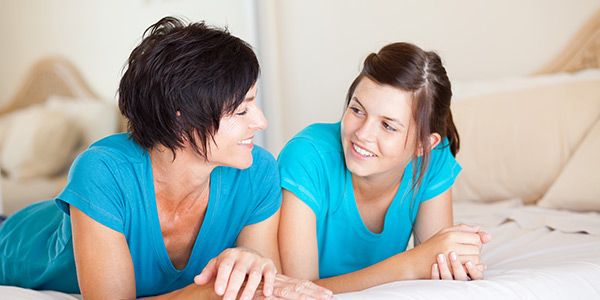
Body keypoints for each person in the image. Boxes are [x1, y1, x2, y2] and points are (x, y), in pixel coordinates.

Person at [0, 17, 332, 300]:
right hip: (13, 243)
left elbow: (259, 287)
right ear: (181, 118)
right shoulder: (101, 171)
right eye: (241, 109)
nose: (261, 122)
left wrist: (250, 265)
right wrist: (211, 290)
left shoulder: (257, 171)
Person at [277, 42, 492, 293]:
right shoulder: (307, 156)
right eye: (357, 110)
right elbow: (298, 290)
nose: (363, 134)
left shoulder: (433, 159)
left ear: (424, 145)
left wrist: (456, 262)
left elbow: (434, 263)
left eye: (388, 126)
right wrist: (410, 264)